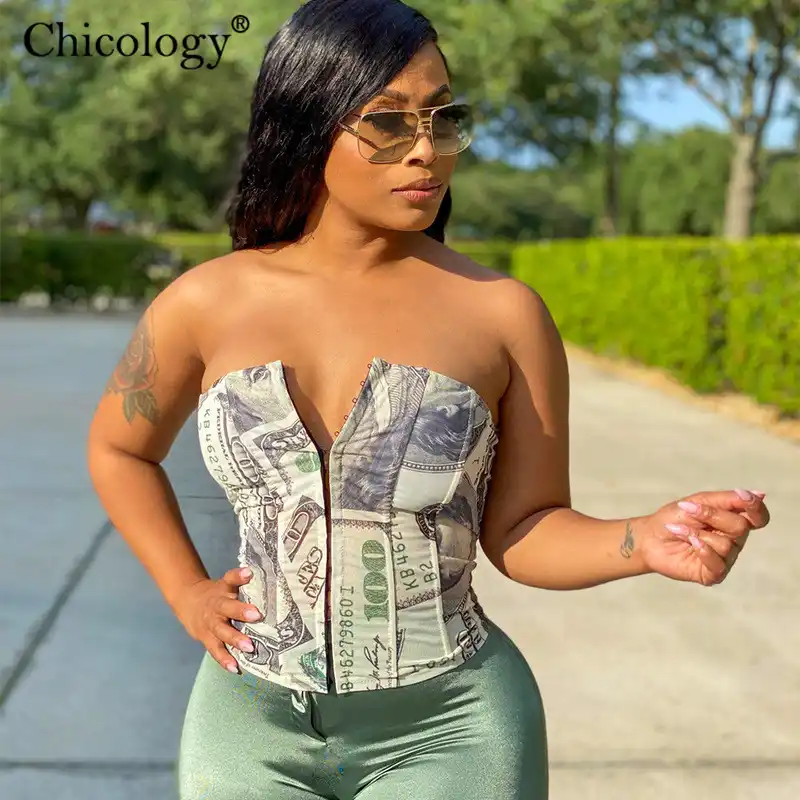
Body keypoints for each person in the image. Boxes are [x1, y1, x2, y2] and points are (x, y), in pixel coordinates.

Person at [86, 1, 771, 798]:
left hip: (454, 729)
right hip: (247, 717)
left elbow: (524, 528)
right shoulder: (204, 303)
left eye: (444, 118)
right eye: (388, 121)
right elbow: (119, 449)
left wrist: (643, 540)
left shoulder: (502, 315)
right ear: (307, 123)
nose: (426, 148)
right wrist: (187, 591)